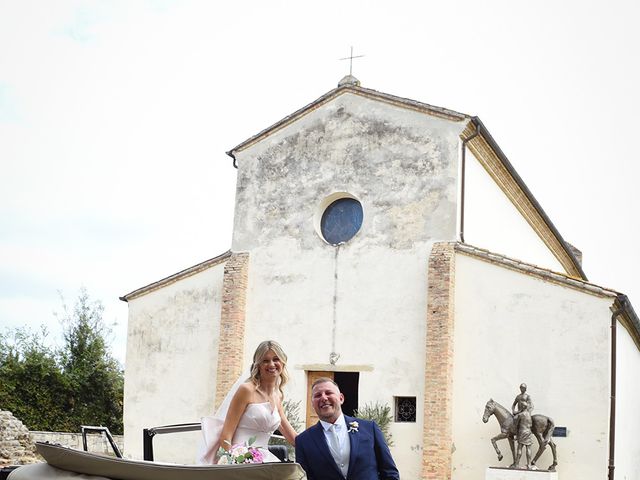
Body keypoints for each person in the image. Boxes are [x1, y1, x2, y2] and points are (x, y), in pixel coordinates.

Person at [199, 340, 297, 464]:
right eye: (265, 361)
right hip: (239, 460)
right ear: (258, 365)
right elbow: (226, 435)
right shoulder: (246, 390)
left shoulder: (277, 396)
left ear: (282, 362)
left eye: (276, 359)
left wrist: (317, 444)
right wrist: (231, 463)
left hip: (264, 459)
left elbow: (292, 436)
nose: (271, 364)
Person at [295, 378, 399, 480]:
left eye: (328, 393)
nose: (324, 398)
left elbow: (389, 472)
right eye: (318, 395)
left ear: (341, 398)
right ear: (312, 404)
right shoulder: (303, 440)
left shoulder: (369, 429)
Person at [512, 383, 534, 469]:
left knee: (520, 448)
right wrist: (514, 411)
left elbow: (531, 406)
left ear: (525, 388)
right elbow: (513, 405)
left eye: (523, 388)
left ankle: (517, 464)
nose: (522, 389)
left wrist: (518, 414)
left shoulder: (527, 397)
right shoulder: (518, 397)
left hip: (521, 431)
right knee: (528, 448)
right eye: (521, 387)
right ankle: (529, 464)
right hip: (528, 431)